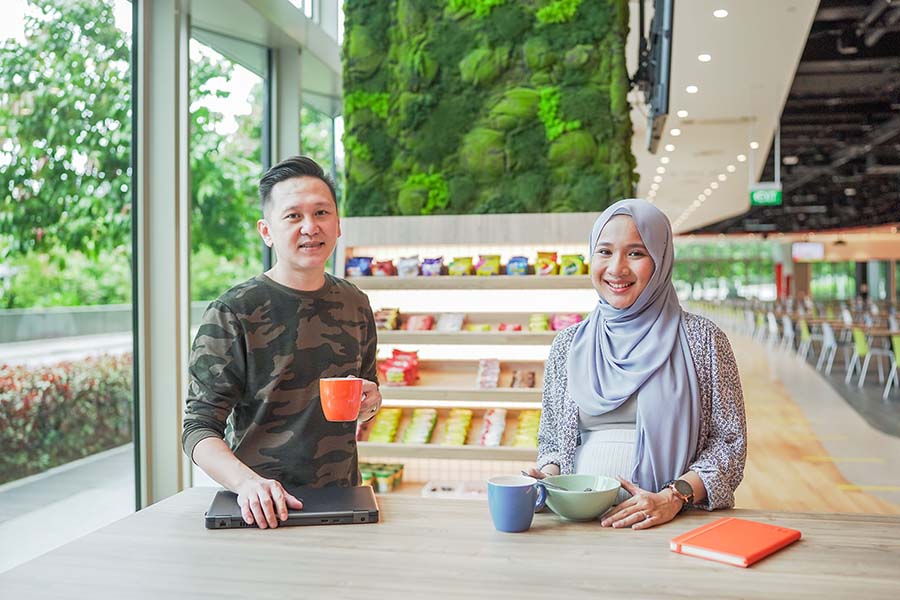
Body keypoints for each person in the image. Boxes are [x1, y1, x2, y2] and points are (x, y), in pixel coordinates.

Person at [182, 156, 382, 529]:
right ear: (267, 231)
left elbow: (366, 397)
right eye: (293, 216)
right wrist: (247, 484)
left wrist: (371, 403)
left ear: (338, 225)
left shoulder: (356, 303)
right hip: (260, 509)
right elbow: (198, 429)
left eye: (322, 212)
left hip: (342, 503)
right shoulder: (233, 311)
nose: (311, 227)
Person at [527, 198, 746, 530]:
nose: (617, 268)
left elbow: (730, 443)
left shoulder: (702, 339)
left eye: (636, 253)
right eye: (604, 252)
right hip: (579, 524)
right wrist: (547, 478)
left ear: (660, 260)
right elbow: (553, 443)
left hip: (669, 522)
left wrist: (674, 496)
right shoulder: (567, 346)